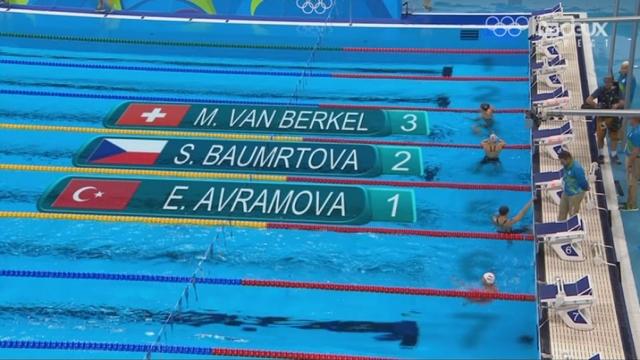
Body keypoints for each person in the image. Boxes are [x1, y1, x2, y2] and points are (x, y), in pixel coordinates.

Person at [584, 76, 625, 164]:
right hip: (603, 119)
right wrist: (596, 106)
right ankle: (601, 154)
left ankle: (613, 154)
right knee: (601, 135)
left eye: (609, 82)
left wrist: (617, 105)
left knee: (614, 136)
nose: (607, 84)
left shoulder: (617, 90)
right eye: (606, 82)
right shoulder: (601, 90)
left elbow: (623, 102)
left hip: (613, 118)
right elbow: (588, 99)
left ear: (612, 82)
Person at [557, 151, 590, 220]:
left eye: (562, 162)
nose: (561, 163)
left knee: (573, 216)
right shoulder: (566, 165)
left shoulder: (577, 168)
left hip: (575, 195)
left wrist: (586, 188)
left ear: (568, 159)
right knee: (561, 213)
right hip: (566, 192)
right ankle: (561, 228)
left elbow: (583, 182)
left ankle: (573, 230)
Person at [622, 116, 640, 211]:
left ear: (635, 120)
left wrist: (630, 164)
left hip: (634, 159)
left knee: (632, 182)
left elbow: (636, 151)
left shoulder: (637, 132)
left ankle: (632, 205)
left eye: (631, 118)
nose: (629, 119)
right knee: (630, 181)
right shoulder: (635, 129)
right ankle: (629, 202)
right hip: (631, 157)